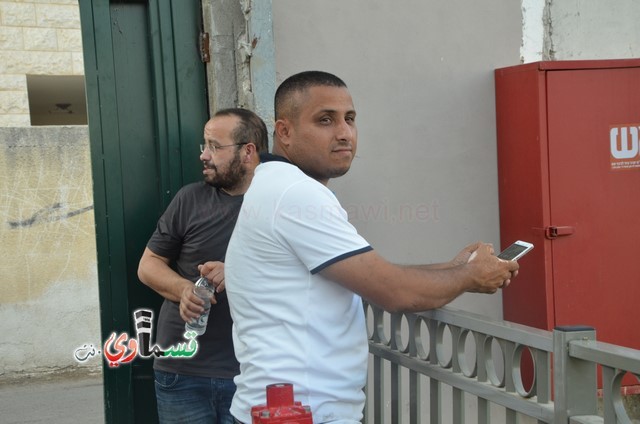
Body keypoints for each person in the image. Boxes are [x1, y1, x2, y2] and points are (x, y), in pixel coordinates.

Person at [218, 71, 520, 424]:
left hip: (287, 407)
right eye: (325, 120)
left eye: (350, 119)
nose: (344, 132)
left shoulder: (277, 185)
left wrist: (453, 268)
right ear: (284, 131)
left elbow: (370, 271)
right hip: (302, 412)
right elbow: (394, 291)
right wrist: (470, 276)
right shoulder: (296, 194)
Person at [137, 108, 268, 424]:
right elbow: (148, 265)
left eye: (214, 146)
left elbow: (305, 276)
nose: (204, 155)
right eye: (203, 146)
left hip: (254, 375)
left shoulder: (280, 203)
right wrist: (184, 289)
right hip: (182, 372)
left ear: (248, 151)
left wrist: (236, 270)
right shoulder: (189, 199)